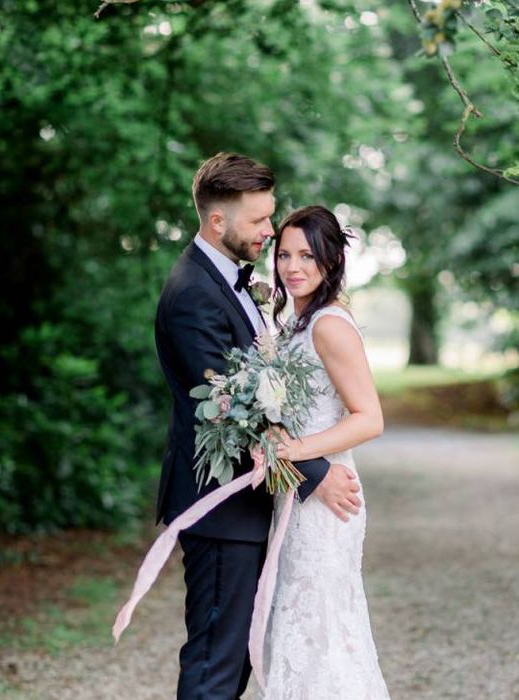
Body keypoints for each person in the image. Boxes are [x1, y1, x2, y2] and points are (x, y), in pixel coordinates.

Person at [153, 153, 362, 700]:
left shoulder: (231, 282)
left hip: (250, 505)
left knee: (236, 662)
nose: (269, 232)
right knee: (215, 664)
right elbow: (231, 409)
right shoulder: (193, 294)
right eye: (260, 221)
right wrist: (316, 472)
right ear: (217, 221)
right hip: (220, 506)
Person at [260, 205, 391, 699]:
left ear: (331, 261)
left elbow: (369, 418)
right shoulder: (293, 323)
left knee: (325, 630)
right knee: (301, 627)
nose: (292, 267)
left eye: (307, 256)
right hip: (295, 496)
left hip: (327, 498)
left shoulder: (328, 325)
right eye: (284, 254)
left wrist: (293, 450)